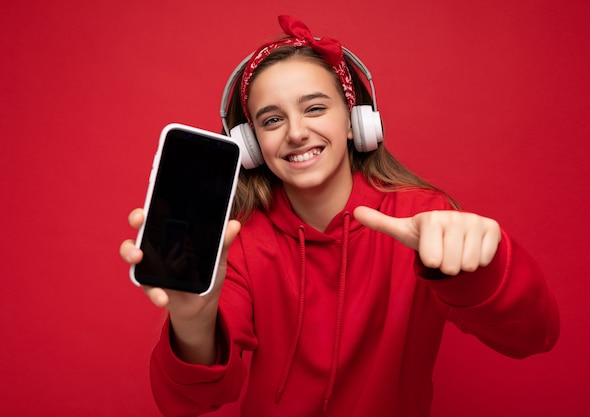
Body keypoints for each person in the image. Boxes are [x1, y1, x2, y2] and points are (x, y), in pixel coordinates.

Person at [120, 15, 559, 417]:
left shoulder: (422, 219)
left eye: (314, 108)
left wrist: (481, 269)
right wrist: (194, 320)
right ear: (251, 146)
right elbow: (188, 402)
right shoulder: (239, 239)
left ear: (355, 122)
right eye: (272, 120)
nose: (295, 132)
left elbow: (534, 336)